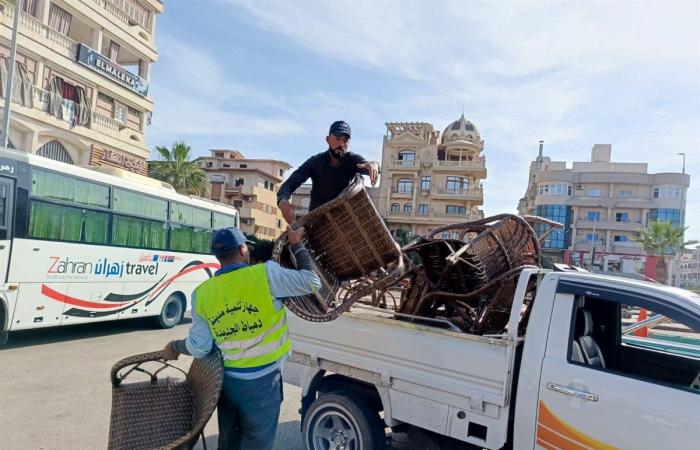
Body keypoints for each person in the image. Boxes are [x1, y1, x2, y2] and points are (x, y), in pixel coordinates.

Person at [162, 226, 320, 450]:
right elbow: (313, 283)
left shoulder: (202, 293)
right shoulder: (266, 274)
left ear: (217, 257)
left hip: (228, 385)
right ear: (244, 249)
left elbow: (200, 347)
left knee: (229, 444)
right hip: (264, 385)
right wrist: (297, 244)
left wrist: (175, 346)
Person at [276, 120, 380, 224]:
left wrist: (374, 165)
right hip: (317, 222)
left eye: (345, 140)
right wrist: (283, 201)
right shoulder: (316, 162)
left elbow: (366, 165)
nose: (341, 144)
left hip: (343, 222)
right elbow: (291, 182)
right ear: (328, 139)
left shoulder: (351, 160)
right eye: (337, 139)